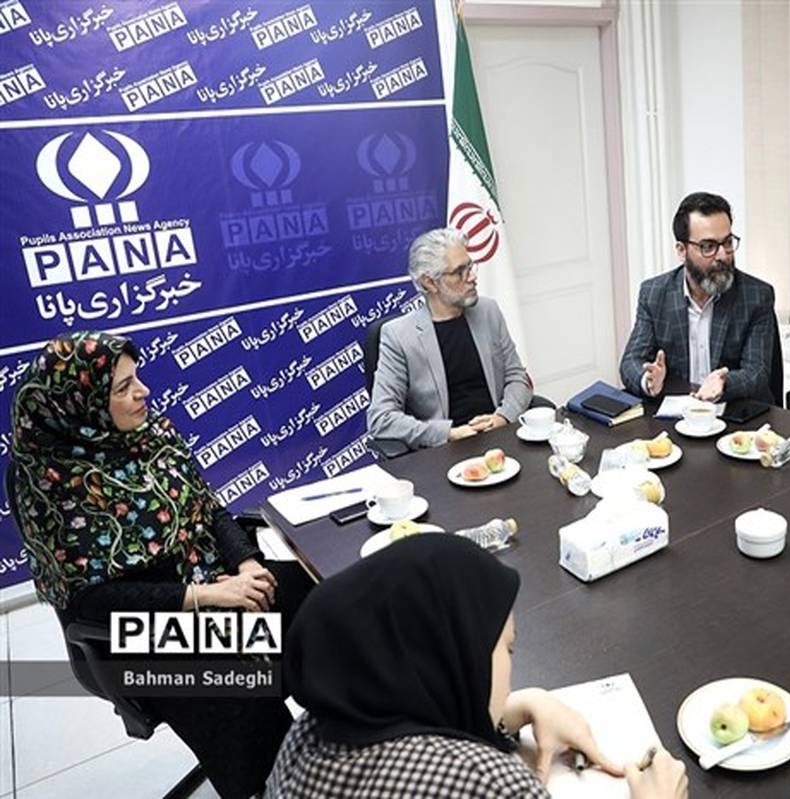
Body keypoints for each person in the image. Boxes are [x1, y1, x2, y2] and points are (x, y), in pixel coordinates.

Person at [9, 331, 314, 798]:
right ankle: (277, 782)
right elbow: (90, 601)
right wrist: (207, 596)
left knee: (322, 600)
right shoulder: (48, 481)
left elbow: (209, 510)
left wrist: (247, 564)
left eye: (137, 378)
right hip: (137, 632)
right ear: (80, 405)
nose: (143, 392)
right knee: (240, 685)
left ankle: (339, 738)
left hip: (212, 580)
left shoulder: (153, 435)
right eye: (122, 387)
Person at [266, 534, 688, 798]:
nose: (510, 669)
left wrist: (514, 710)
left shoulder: (306, 733)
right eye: (508, 649)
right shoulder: (488, 782)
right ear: (455, 662)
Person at [367, 227, 532, 455]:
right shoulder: (398, 336)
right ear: (430, 283)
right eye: (459, 272)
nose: (472, 277)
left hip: (501, 438)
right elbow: (381, 418)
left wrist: (503, 416)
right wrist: (448, 434)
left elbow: (517, 377)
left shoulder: (488, 311)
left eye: (470, 267)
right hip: (445, 452)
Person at [619, 192, 776, 404]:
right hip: (679, 414)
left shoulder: (756, 295)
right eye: (708, 247)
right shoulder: (654, 294)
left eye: (727, 242)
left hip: (735, 413)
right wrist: (647, 380)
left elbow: (757, 372)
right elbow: (630, 361)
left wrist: (724, 383)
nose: (723, 255)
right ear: (682, 251)